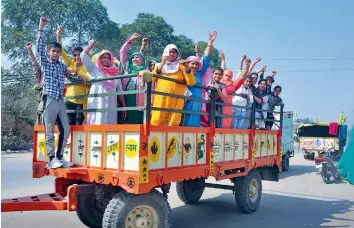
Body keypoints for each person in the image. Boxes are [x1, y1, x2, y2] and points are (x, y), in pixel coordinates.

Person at [36, 17, 72, 169]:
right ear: (49, 52)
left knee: (66, 128)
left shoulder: (61, 66)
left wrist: (84, 78)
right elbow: (38, 48)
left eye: (58, 51)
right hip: (49, 98)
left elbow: (71, 77)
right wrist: (41, 27)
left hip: (59, 99)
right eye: (53, 51)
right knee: (49, 129)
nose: (56, 53)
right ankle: (51, 159)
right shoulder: (46, 62)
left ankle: (60, 156)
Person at [80, 40, 127, 124]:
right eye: (103, 57)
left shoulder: (116, 73)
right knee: (96, 126)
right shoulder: (95, 69)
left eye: (108, 58)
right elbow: (83, 56)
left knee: (110, 130)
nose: (106, 59)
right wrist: (90, 46)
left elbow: (120, 91)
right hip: (97, 104)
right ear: (99, 59)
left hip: (111, 106)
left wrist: (124, 106)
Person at [151, 44, 196, 126]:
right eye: (169, 52)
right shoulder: (158, 66)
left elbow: (191, 83)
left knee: (173, 123)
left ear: (177, 54)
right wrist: (162, 63)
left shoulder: (181, 66)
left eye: (174, 52)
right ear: (165, 53)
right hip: (161, 99)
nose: (171, 54)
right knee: (156, 121)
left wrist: (187, 68)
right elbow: (152, 79)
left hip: (176, 101)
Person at [56, 26, 90, 125]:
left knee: (79, 124)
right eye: (75, 55)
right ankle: (66, 141)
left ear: (83, 55)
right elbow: (61, 52)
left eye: (79, 54)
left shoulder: (87, 67)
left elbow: (88, 80)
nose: (76, 57)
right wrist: (58, 35)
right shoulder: (70, 63)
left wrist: (76, 71)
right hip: (69, 100)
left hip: (82, 101)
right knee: (67, 124)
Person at [183, 31, 217, 127]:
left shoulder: (199, 73)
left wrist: (210, 42)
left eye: (197, 63)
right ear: (187, 63)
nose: (194, 65)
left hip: (197, 102)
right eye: (192, 63)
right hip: (185, 101)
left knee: (194, 125)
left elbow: (206, 58)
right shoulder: (183, 72)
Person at [119, 33, 150, 124]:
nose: (134, 59)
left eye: (137, 57)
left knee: (139, 124)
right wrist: (130, 39)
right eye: (133, 57)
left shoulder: (146, 71)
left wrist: (143, 47)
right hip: (126, 100)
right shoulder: (127, 69)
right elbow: (122, 52)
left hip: (140, 103)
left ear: (143, 61)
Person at [220, 55, 250, 128]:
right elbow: (221, 69)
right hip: (217, 107)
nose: (227, 77)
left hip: (228, 109)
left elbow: (241, 77)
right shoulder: (218, 82)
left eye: (229, 76)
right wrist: (223, 59)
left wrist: (247, 67)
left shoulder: (232, 85)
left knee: (226, 128)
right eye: (225, 75)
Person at [25, 41, 44, 125]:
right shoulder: (41, 73)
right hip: (44, 101)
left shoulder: (59, 70)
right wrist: (29, 50)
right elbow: (34, 64)